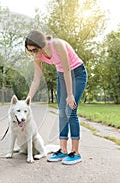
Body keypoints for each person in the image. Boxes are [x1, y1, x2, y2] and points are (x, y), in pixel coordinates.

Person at [24, 30, 87, 165]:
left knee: (70, 110)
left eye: (35, 50)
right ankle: (63, 150)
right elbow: (36, 79)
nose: (34, 53)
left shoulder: (57, 44)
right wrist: (27, 100)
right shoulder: (38, 56)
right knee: (62, 113)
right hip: (62, 75)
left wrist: (70, 95)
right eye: (31, 51)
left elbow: (68, 70)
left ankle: (76, 153)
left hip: (77, 72)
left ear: (41, 44)